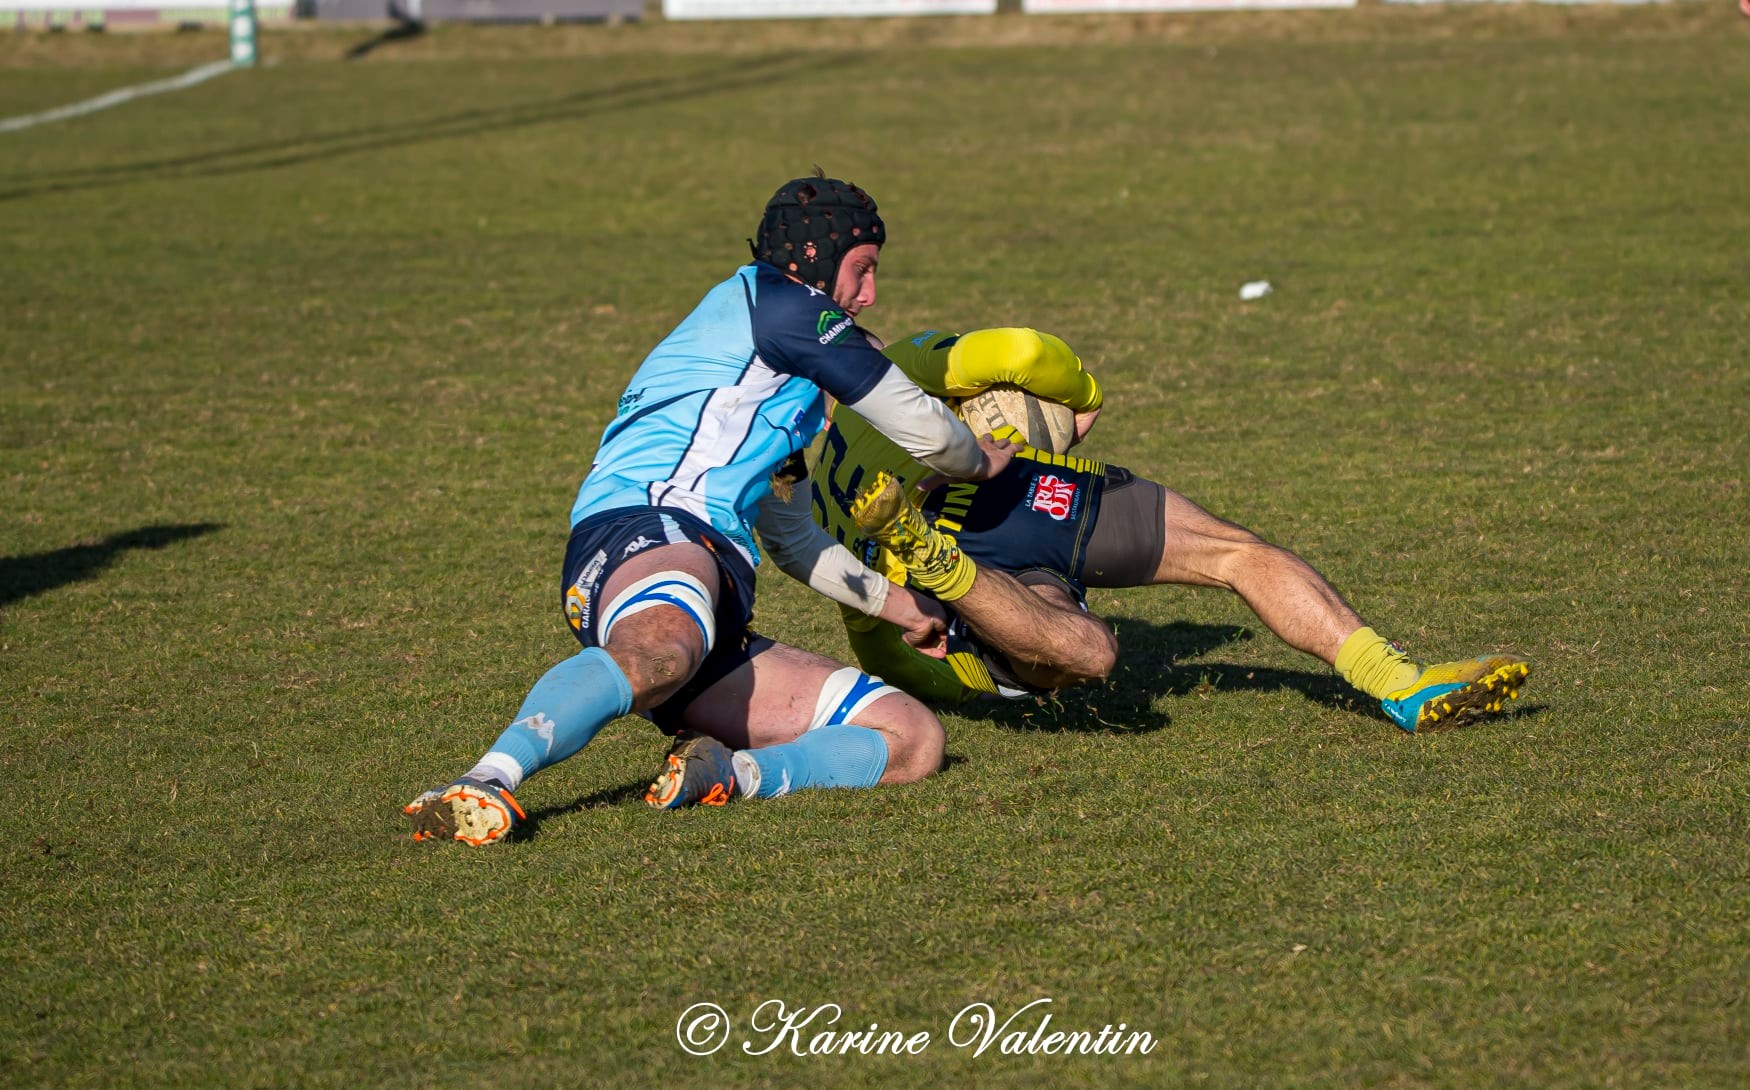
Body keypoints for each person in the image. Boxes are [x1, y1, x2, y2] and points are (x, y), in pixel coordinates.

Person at [405, 174, 1020, 846]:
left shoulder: (773, 388)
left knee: (909, 738)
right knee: (663, 648)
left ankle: (729, 773)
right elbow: (925, 430)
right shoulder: (781, 309)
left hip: (712, 587)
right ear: (814, 259)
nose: (870, 295)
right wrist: (977, 461)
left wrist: (898, 606)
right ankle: (485, 782)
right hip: (645, 528)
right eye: (862, 270)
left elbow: (791, 537)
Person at [805, 325, 1531, 731]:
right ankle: (1399, 684)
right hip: (1021, 498)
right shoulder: (897, 361)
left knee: (1085, 657)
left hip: (961, 560)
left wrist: (932, 662)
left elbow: (874, 633)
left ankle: (937, 565)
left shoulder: (817, 501)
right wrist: (1079, 399)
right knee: (1233, 558)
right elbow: (1024, 356)